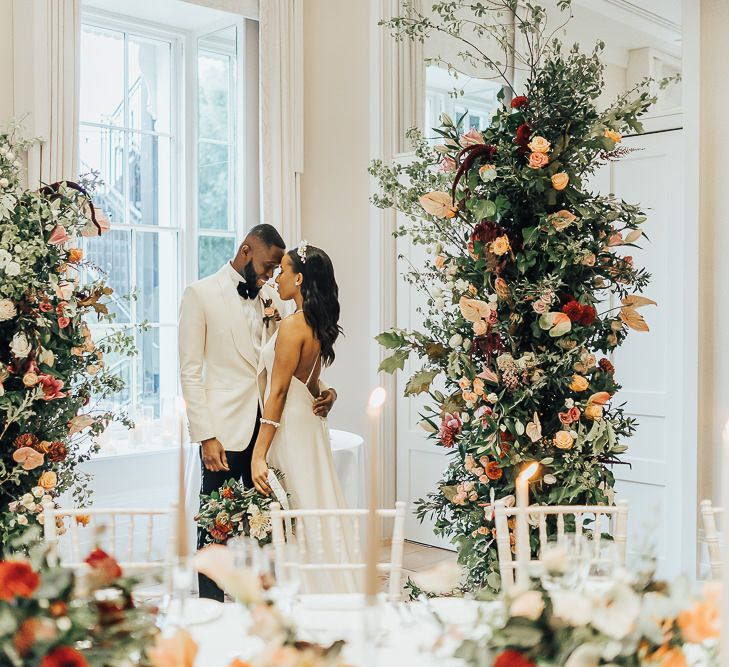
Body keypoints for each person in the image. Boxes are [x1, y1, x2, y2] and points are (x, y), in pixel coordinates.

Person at [178, 225, 338, 600]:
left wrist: (323, 389)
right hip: (224, 430)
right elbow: (190, 371)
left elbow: (287, 363)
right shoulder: (199, 294)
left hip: (270, 431)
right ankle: (211, 606)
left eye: (275, 270)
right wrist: (205, 434)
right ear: (246, 250)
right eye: (267, 266)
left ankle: (256, 605)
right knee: (217, 526)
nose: (269, 276)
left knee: (264, 527)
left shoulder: (274, 300)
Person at [251, 241, 357, 593]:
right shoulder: (313, 322)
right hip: (309, 423)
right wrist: (330, 394)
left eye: (282, 271)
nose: (277, 278)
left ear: (298, 279)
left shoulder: (293, 326)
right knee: (313, 499)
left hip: (289, 428)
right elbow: (307, 380)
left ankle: (306, 589)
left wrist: (259, 454)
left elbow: (278, 393)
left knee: (296, 505)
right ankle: (328, 581)